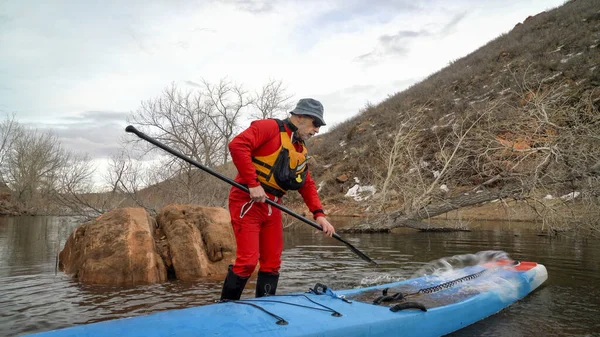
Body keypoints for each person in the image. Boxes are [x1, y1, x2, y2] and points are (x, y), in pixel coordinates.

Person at [220, 98, 336, 300]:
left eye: (319, 126)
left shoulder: (299, 148)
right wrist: (253, 184)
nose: (316, 130)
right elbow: (237, 145)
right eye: (315, 123)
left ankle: (266, 307)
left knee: (272, 263)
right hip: (247, 201)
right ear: (300, 117)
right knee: (248, 262)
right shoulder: (268, 127)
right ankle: (225, 306)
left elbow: (306, 183)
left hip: (273, 206)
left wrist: (319, 214)